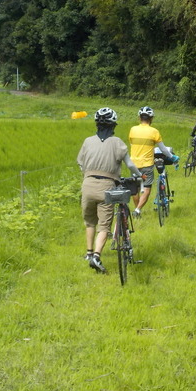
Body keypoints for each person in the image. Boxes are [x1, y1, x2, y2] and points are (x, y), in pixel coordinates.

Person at [77, 107, 142, 273]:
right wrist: (139, 176)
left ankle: (88, 252)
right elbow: (129, 164)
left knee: (90, 221)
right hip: (107, 187)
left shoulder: (87, 141)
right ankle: (96, 257)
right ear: (113, 125)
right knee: (104, 226)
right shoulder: (118, 142)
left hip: (87, 185)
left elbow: (81, 164)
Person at [128, 106, 179, 218]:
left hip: (133, 164)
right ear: (151, 118)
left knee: (135, 190)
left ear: (139, 118)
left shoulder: (133, 130)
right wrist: (173, 157)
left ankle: (138, 211)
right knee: (147, 188)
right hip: (147, 165)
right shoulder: (154, 131)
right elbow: (163, 149)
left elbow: (132, 144)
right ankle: (137, 210)